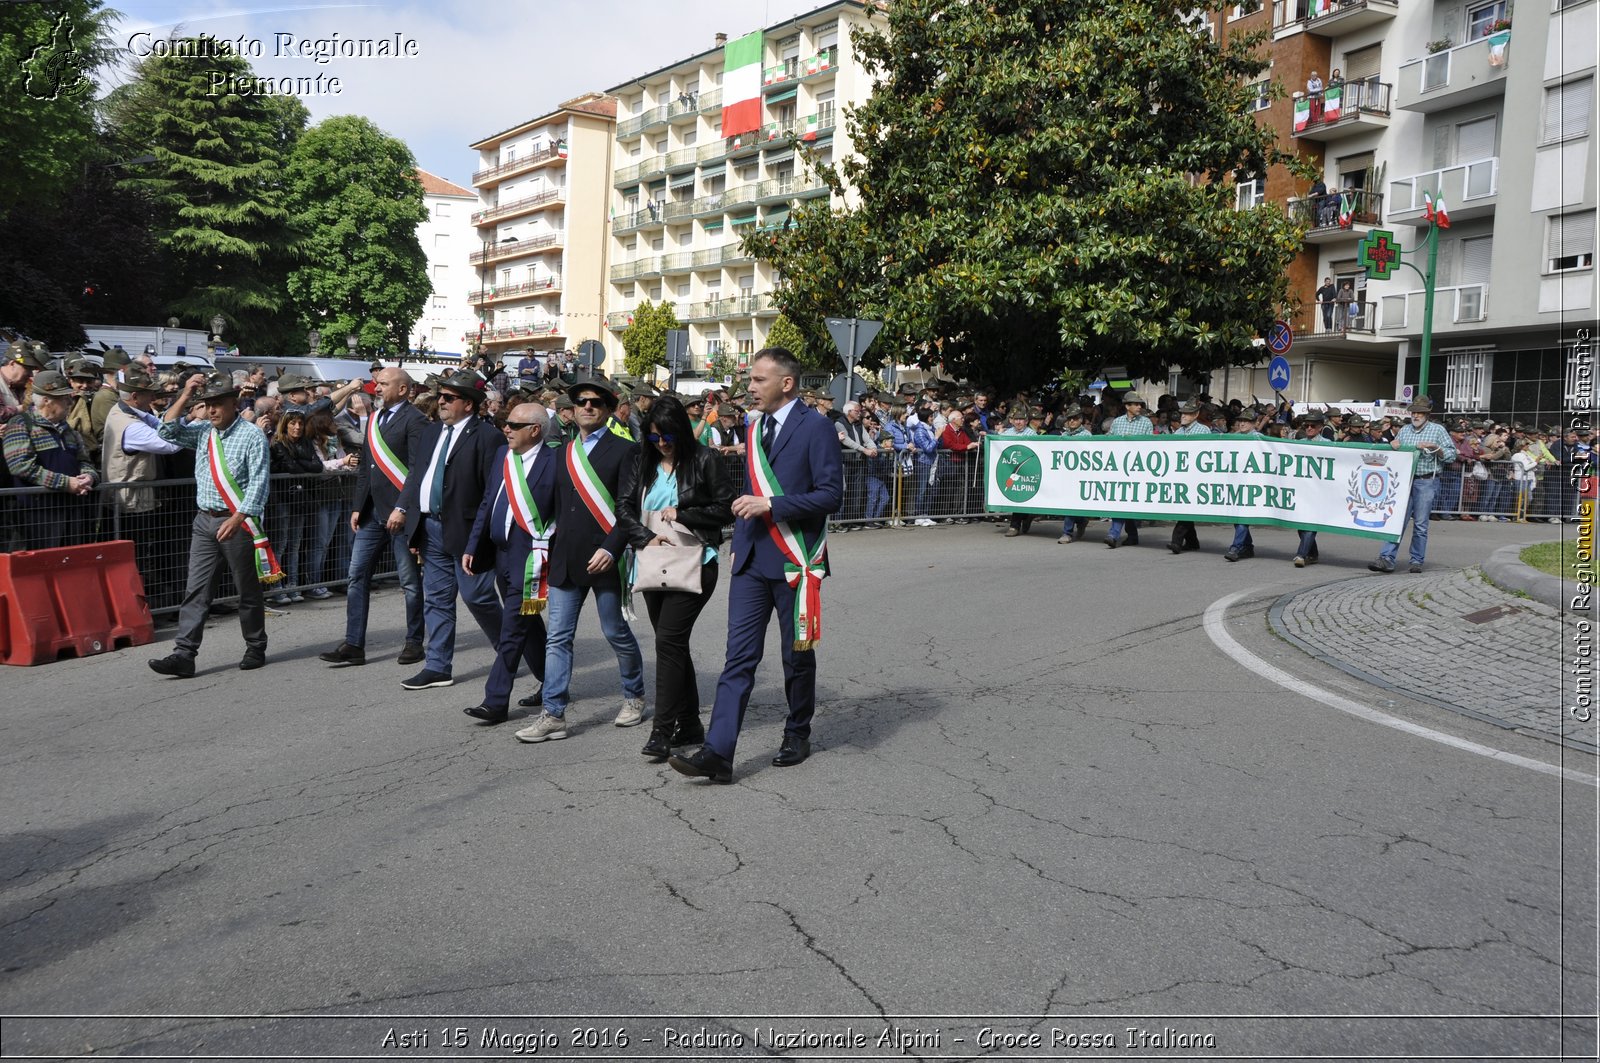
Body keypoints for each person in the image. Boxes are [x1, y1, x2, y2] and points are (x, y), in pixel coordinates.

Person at [670, 347, 843, 784]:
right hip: (750, 559)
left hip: (793, 558)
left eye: (757, 380)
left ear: (786, 383)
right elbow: (749, 490)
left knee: (795, 656)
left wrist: (772, 504)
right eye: (749, 380)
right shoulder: (754, 425)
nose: (749, 388)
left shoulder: (817, 427)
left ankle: (797, 731)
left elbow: (830, 495)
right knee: (738, 659)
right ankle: (718, 752)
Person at [515, 377, 647, 744]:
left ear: (606, 410)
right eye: (582, 402)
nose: (588, 407)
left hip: (606, 557)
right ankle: (553, 714)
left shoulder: (626, 450)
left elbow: (629, 509)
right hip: (566, 559)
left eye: (596, 402)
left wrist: (612, 548)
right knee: (557, 638)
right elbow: (552, 508)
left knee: (615, 632)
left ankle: (634, 696)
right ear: (571, 412)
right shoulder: (559, 452)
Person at [619, 396, 735, 759]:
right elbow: (623, 506)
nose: (662, 444)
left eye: (667, 436)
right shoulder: (642, 461)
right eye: (654, 438)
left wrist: (684, 513)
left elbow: (725, 507)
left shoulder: (704, 459)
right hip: (651, 559)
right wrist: (645, 536)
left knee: (668, 640)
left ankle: (662, 730)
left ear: (681, 431)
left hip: (696, 560)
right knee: (672, 643)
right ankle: (690, 723)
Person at [148, 372, 273, 677]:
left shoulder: (252, 435)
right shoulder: (203, 431)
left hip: (237, 522)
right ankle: (184, 654)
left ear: (233, 403)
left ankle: (255, 646)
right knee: (196, 590)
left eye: (218, 404)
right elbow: (166, 430)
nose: (212, 410)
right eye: (208, 404)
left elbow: (259, 483)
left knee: (247, 590)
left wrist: (238, 517)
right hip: (205, 520)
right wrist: (186, 393)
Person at [394, 369, 504, 690]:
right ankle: (438, 665)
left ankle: (509, 648)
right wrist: (415, 525)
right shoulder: (431, 433)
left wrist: (480, 536)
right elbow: (419, 477)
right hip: (431, 528)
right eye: (441, 395)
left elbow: (491, 491)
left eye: (448, 397)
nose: (440, 401)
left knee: (477, 596)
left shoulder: (488, 436)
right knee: (437, 600)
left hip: (468, 531)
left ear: (468, 405)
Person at [320, 368, 428, 668]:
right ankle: (354, 644)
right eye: (376, 384)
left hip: (400, 516)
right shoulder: (375, 419)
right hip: (372, 514)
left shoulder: (416, 420)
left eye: (384, 384)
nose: (376, 388)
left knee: (408, 581)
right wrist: (357, 506)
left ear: (404, 390)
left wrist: (404, 508)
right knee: (356, 576)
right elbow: (367, 465)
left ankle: (414, 641)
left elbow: (418, 470)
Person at [461, 401, 560, 725]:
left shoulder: (554, 462)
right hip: (501, 553)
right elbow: (488, 501)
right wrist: (473, 545)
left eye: (514, 425)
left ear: (535, 430)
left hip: (531, 558)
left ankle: (495, 701)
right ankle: (552, 683)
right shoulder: (504, 456)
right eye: (506, 423)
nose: (506, 429)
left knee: (511, 629)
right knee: (528, 622)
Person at [102, 365, 186, 607]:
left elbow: (159, 424)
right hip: (130, 503)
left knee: (140, 558)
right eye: (149, 393)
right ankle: (134, 607)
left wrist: (187, 415)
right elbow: (168, 444)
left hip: (134, 500)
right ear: (135, 397)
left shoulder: (127, 412)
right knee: (135, 560)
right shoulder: (130, 425)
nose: (154, 397)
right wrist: (193, 428)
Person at [2, 370, 98, 549]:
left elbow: (84, 461)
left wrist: (89, 477)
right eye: (64, 398)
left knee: (71, 563)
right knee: (37, 568)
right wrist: (65, 483)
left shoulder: (68, 430)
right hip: (38, 516)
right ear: (46, 400)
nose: (70, 402)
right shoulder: (21, 424)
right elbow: (21, 466)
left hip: (71, 512)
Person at [1369, 396, 1457, 574]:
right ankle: (1386, 558)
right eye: (1414, 412)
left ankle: (1416, 560)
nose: (1416, 415)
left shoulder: (1438, 430)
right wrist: (1393, 446)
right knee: (1396, 521)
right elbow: (1396, 452)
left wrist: (1437, 449)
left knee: (1421, 523)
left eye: (1419, 412)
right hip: (1404, 480)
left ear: (1427, 414)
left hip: (1426, 480)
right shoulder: (1405, 430)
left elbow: (1451, 455)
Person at [266, 406, 322, 605]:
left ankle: (293, 584)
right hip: (282, 498)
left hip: (300, 498)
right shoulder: (277, 444)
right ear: (285, 425)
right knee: (280, 543)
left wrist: (298, 462)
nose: (297, 427)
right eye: (293, 423)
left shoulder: (306, 443)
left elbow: (317, 467)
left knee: (295, 543)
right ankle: (276, 587)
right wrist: (297, 464)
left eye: (300, 423)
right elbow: (290, 467)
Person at [1105, 392, 1152, 547]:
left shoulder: (1146, 423)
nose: (1139, 407)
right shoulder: (1117, 422)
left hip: (1137, 469)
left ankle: (1116, 534)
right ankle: (1126, 535)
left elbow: (1150, 446)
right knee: (1123, 500)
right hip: (1119, 468)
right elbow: (1109, 442)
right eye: (1136, 404)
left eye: (1140, 404)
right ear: (1127, 406)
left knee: (1126, 501)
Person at [1166, 400, 1212, 553]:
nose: (1183, 416)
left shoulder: (1203, 430)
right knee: (1185, 508)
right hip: (1181, 475)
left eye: (1187, 413)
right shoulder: (1178, 432)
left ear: (1196, 415)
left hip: (1196, 476)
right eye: (1183, 413)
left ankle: (1176, 541)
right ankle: (1192, 542)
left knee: (1186, 508)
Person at [1290, 411, 1328, 566]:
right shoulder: (1299, 443)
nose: (1309, 428)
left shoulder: (1327, 443)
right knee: (1300, 525)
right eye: (1307, 425)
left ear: (1320, 427)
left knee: (1310, 522)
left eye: (1313, 425)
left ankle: (1301, 555)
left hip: (1318, 491)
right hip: (1301, 489)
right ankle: (1313, 554)